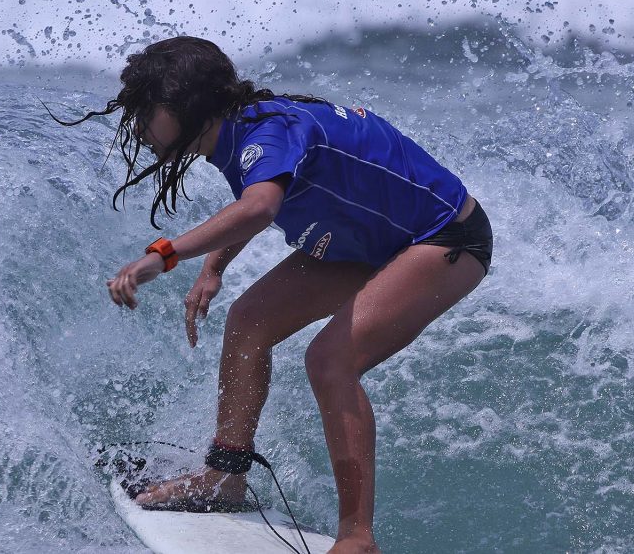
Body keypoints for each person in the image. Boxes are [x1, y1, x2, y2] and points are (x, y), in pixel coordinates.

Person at [56, 36, 492, 554]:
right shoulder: (237, 132)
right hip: (367, 237)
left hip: (441, 235)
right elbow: (264, 192)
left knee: (330, 360)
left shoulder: (270, 128)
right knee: (249, 322)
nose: (139, 126)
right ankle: (225, 477)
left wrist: (164, 255)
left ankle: (357, 539)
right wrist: (216, 266)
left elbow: (261, 205)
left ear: (182, 106)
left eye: (147, 111)